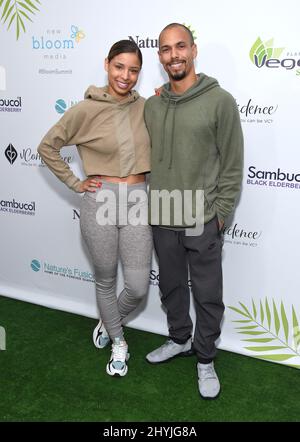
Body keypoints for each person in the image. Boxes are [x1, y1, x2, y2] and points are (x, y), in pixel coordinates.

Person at [37, 40, 152, 377]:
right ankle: (118, 339)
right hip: (99, 200)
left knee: (138, 286)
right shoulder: (84, 109)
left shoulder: (147, 107)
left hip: (138, 200)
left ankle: (108, 319)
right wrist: (76, 183)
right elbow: (47, 147)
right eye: (119, 67)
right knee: (105, 280)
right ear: (107, 65)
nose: (125, 76)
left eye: (133, 70)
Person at [144, 24, 243, 398]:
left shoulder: (220, 101)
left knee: (207, 293)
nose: (174, 55)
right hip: (162, 216)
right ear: (160, 57)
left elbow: (233, 165)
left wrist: (220, 215)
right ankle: (179, 338)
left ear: (194, 49)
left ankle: (205, 358)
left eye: (180, 46)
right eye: (166, 49)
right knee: (171, 288)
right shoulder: (152, 105)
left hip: (202, 218)